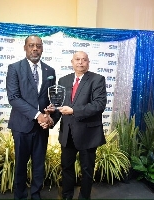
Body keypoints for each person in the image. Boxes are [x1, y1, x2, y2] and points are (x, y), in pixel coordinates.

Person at [46, 51, 107, 199]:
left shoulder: (97, 79)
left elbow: (99, 105)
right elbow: (60, 106)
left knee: (87, 170)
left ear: (88, 62)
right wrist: (51, 117)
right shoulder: (64, 80)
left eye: (84, 60)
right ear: (72, 62)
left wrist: (74, 110)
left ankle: (84, 197)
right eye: (77, 59)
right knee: (66, 167)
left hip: (88, 134)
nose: (80, 62)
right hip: (67, 134)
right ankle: (67, 196)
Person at [6, 35, 56, 200]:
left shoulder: (50, 71)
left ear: (42, 48)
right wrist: (38, 115)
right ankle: (20, 197)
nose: (35, 49)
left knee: (39, 165)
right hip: (21, 126)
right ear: (25, 47)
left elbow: (51, 99)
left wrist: (49, 116)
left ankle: (36, 196)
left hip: (41, 128)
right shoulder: (14, 68)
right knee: (20, 165)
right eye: (31, 45)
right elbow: (13, 97)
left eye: (38, 46)